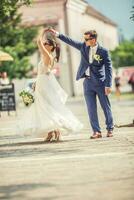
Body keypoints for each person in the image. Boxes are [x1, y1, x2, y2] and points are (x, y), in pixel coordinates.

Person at [17, 29, 83, 142]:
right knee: (44, 107)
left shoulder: (48, 55)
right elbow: (41, 72)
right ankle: (52, 132)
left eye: (46, 43)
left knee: (47, 106)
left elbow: (38, 42)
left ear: (51, 47)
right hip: (42, 82)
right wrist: (35, 83)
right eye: (45, 43)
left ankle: (54, 130)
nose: (44, 44)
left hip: (45, 84)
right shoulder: (46, 56)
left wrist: (43, 32)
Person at [47, 28, 114, 139]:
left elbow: (109, 68)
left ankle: (110, 128)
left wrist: (108, 85)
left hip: (101, 83)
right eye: (84, 39)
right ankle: (96, 131)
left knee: (105, 107)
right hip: (87, 83)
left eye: (87, 39)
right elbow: (71, 41)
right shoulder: (83, 47)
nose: (85, 41)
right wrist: (58, 34)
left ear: (93, 39)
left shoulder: (103, 51)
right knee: (91, 109)